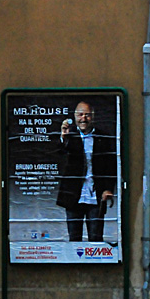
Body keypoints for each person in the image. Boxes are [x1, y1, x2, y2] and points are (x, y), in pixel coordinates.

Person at [56, 101, 116, 241]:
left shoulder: (103, 138)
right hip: (73, 195)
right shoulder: (69, 136)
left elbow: (110, 164)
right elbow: (58, 154)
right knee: (74, 237)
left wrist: (108, 189)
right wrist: (63, 138)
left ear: (93, 117)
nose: (84, 118)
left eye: (87, 115)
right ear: (75, 116)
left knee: (96, 238)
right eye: (80, 115)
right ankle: (76, 263)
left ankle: (96, 263)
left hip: (96, 195)